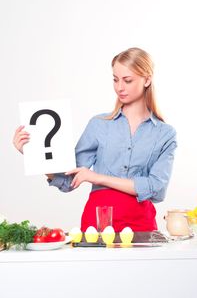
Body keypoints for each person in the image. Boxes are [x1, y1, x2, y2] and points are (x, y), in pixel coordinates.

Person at [13, 47, 177, 232]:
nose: (119, 87)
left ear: (147, 79)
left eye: (127, 80)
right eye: (115, 79)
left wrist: (96, 177)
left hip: (140, 225)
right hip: (98, 222)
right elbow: (68, 181)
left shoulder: (165, 134)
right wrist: (35, 155)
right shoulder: (99, 124)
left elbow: (156, 189)